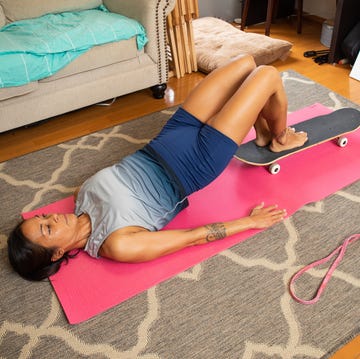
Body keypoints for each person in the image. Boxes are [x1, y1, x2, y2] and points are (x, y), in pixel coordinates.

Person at [7, 55, 307, 281]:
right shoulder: (117, 244)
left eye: (44, 216)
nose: (52, 217)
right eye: (48, 228)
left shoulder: (81, 195)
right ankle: (280, 137)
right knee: (267, 75)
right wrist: (250, 223)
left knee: (246, 63)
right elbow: (193, 236)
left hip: (170, 136)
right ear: (58, 252)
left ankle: (265, 132)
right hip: (196, 162)